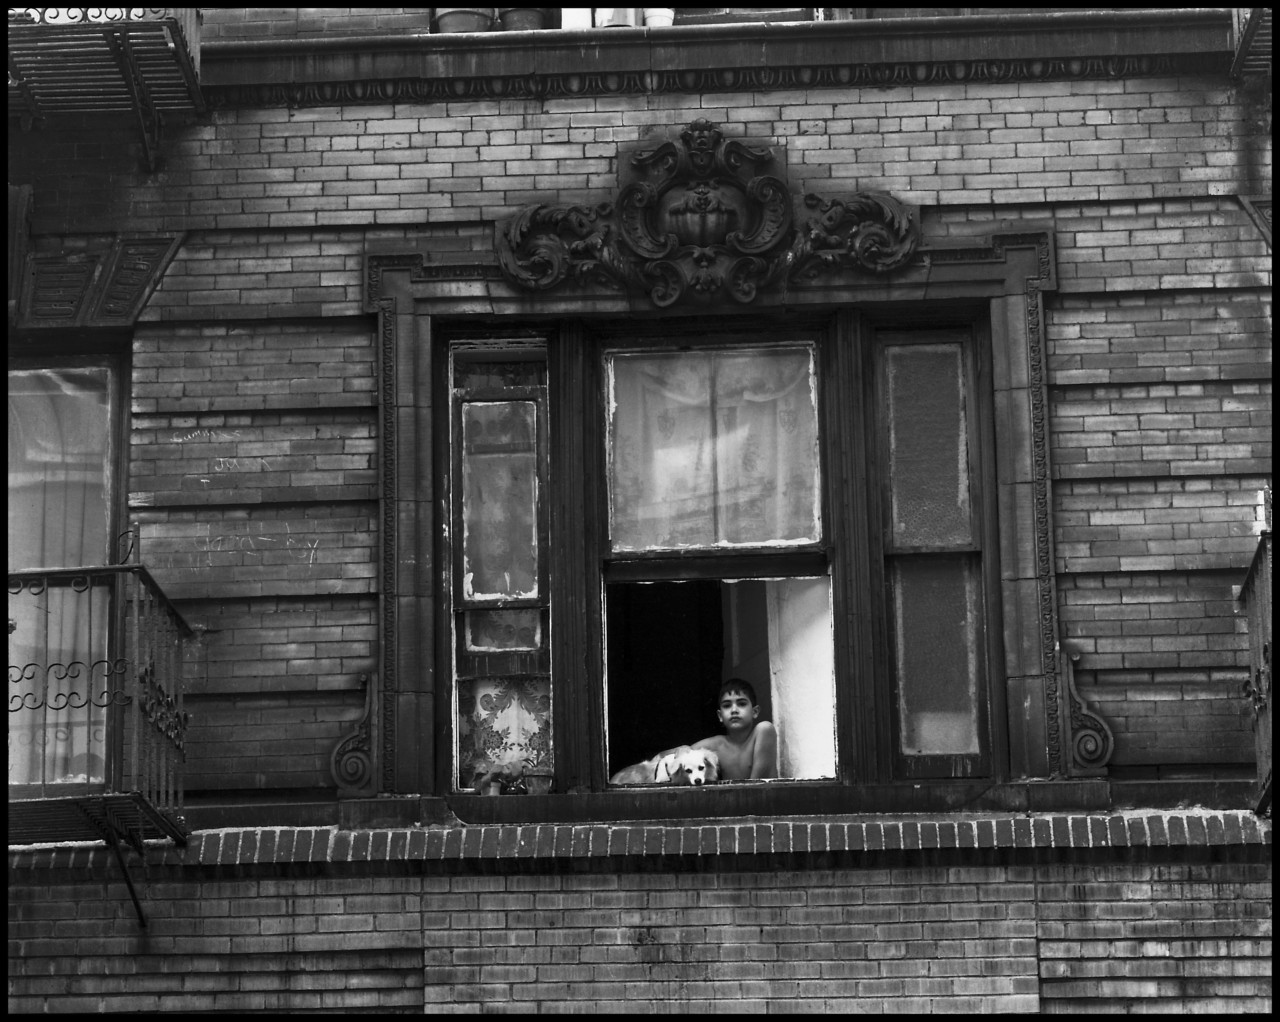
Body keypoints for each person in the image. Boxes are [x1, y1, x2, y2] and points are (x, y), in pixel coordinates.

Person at [691, 678, 777, 780]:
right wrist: (683, 749)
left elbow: (757, 788)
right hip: (733, 795)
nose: (734, 710)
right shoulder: (718, 744)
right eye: (727, 706)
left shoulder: (764, 731)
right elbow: (677, 754)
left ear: (755, 712)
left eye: (741, 704)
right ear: (720, 716)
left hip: (763, 795)